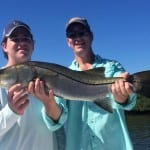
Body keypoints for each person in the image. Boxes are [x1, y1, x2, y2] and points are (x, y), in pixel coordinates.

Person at [44, 17, 137, 150]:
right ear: (68, 42)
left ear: (91, 36)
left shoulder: (111, 66)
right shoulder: (61, 77)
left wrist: (122, 97)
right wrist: (47, 102)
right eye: (72, 34)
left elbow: (129, 101)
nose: (77, 38)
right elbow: (57, 120)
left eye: (82, 32)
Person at [0, 20, 64, 150]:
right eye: (15, 39)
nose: (22, 43)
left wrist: (49, 103)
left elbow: (59, 120)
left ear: (33, 45)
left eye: (26, 38)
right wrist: (11, 111)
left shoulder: (47, 77)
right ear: (4, 46)